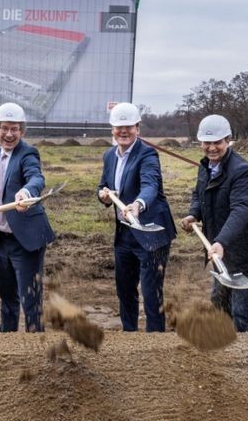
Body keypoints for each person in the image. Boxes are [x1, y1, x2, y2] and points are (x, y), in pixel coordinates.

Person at [180, 114, 248, 332]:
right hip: (220, 250)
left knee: (240, 309)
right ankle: (225, 349)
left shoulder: (242, 171)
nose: (212, 148)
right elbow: (199, 194)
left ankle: (244, 356)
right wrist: (194, 214)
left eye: (217, 142)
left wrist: (221, 241)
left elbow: (242, 210)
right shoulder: (205, 167)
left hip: (246, 252)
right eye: (207, 142)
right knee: (219, 302)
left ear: (228, 140)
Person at [0, 102, 56, 332]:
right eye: (5, 128)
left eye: (15, 129)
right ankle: (7, 348)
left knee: (30, 301)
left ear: (22, 131)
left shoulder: (27, 153)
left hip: (26, 240)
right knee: (7, 299)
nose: (9, 134)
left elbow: (36, 178)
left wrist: (26, 192)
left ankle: (35, 347)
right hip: (2, 240)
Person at [98, 102, 177, 332]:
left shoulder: (148, 154)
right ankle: (130, 337)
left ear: (137, 128)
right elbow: (103, 185)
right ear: (112, 129)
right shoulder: (109, 156)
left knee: (152, 293)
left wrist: (137, 205)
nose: (123, 131)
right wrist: (103, 195)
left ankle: (155, 342)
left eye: (128, 127)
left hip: (151, 232)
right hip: (124, 235)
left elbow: (150, 185)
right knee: (124, 290)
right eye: (118, 127)